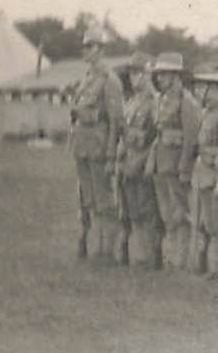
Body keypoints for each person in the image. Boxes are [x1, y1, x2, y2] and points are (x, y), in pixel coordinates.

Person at [68, 26, 125, 264]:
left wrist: (111, 153)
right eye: (84, 46)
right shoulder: (87, 79)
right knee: (87, 197)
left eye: (90, 46)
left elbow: (115, 120)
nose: (86, 51)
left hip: (100, 145)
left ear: (100, 50)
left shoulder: (109, 80)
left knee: (103, 200)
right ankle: (90, 244)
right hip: (82, 145)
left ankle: (106, 250)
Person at [150, 52, 201, 269]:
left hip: (177, 164)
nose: (160, 78)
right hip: (162, 163)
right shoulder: (162, 99)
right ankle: (170, 257)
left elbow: (190, 138)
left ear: (175, 76)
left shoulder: (186, 101)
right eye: (159, 74)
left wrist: (184, 167)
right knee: (167, 213)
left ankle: (182, 259)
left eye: (164, 74)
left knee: (181, 213)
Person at [117, 55, 165, 270]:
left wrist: (148, 161)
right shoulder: (131, 101)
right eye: (132, 74)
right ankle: (140, 254)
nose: (134, 78)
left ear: (148, 75)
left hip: (145, 160)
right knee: (133, 209)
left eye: (138, 73)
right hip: (129, 160)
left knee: (148, 210)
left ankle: (153, 255)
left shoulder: (154, 101)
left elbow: (155, 135)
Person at [188, 65, 218, 277]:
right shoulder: (205, 113)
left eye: (203, 87)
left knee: (216, 223)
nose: (198, 91)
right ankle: (207, 265)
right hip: (202, 172)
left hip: (214, 173)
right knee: (205, 222)